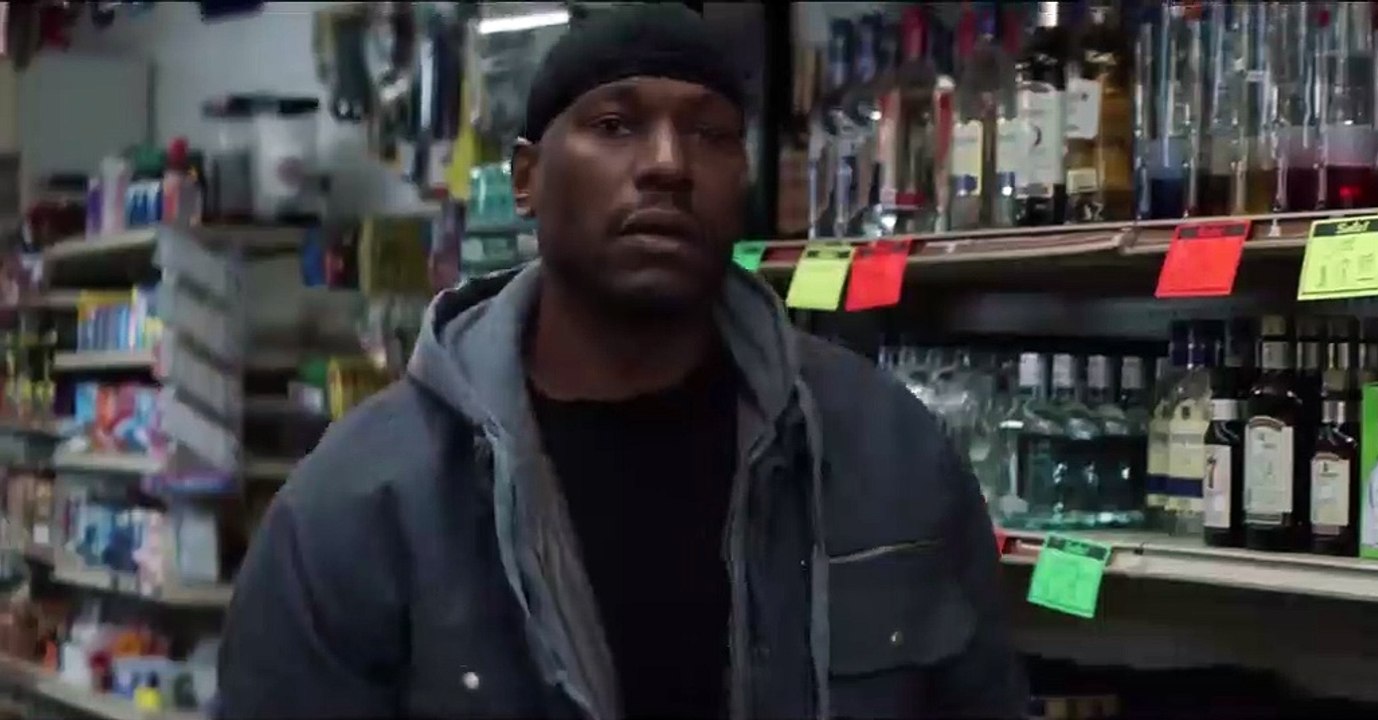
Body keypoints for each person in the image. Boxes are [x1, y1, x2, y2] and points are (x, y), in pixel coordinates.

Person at [216, 4, 1024, 719]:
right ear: (526, 180)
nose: (668, 163)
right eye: (614, 126)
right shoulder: (360, 507)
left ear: (741, 178)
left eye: (709, 134)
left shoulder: (886, 452)